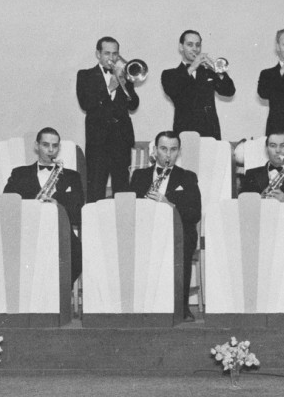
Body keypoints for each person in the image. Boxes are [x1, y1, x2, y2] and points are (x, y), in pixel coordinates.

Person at [130, 131, 202, 321]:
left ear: (179, 152)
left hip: (177, 231)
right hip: (147, 231)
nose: (168, 155)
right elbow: (131, 210)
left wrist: (168, 204)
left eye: (173, 149)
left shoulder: (188, 177)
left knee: (184, 242)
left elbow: (194, 214)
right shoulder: (139, 175)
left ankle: (182, 306)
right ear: (154, 151)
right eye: (163, 149)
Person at [2, 127, 85, 283]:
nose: (51, 150)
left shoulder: (72, 176)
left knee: (79, 254)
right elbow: (7, 204)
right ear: (36, 146)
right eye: (46, 145)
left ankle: (59, 293)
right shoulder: (19, 173)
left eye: (55, 146)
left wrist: (58, 206)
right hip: (29, 231)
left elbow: (78, 211)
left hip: (60, 232)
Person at [76, 36, 139, 203]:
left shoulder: (124, 75)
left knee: (122, 189)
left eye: (115, 54)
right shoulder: (85, 75)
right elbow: (86, 104)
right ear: (98, 54)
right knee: (95, 189)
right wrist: (110, 88)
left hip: (121, 141)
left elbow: (133, 105)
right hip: (98, 143)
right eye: (107, 53)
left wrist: (126, 84)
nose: (111, 58)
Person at [160, 29, 235, 139]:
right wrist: (193, 67)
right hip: (185, 132)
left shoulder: (208, 72)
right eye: (190, 45)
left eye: (197, 45)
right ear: (181, 47)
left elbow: (229, 91)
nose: (195, 48)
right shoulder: (169, 74)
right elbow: (172, 90)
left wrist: (218, 71)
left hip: (210, 133)